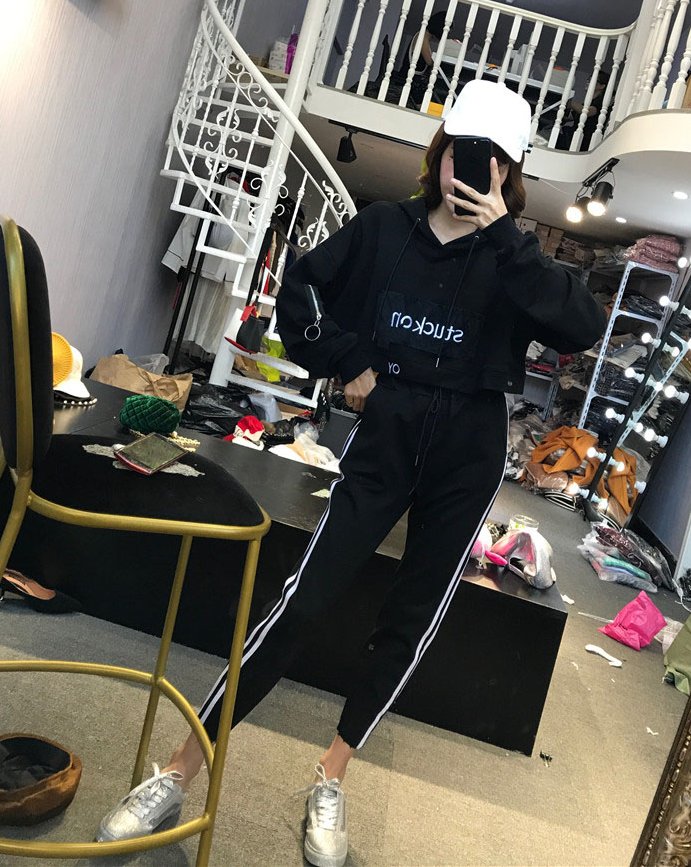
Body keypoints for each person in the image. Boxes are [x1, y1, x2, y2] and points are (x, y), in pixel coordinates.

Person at [95, 80, 606, 866]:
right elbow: (299, 287)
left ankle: (332, 773)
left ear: (511, 172)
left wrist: (506, 237)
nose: (473, 171)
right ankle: (178, 768)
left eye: (494, 160)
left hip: (470, 444)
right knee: (303, 598)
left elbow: (581, 324)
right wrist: (348, 360)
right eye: (463, 152)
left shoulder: (516, 258)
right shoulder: (384, 228)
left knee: (412, 618)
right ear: (440, 151)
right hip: (390, 427)